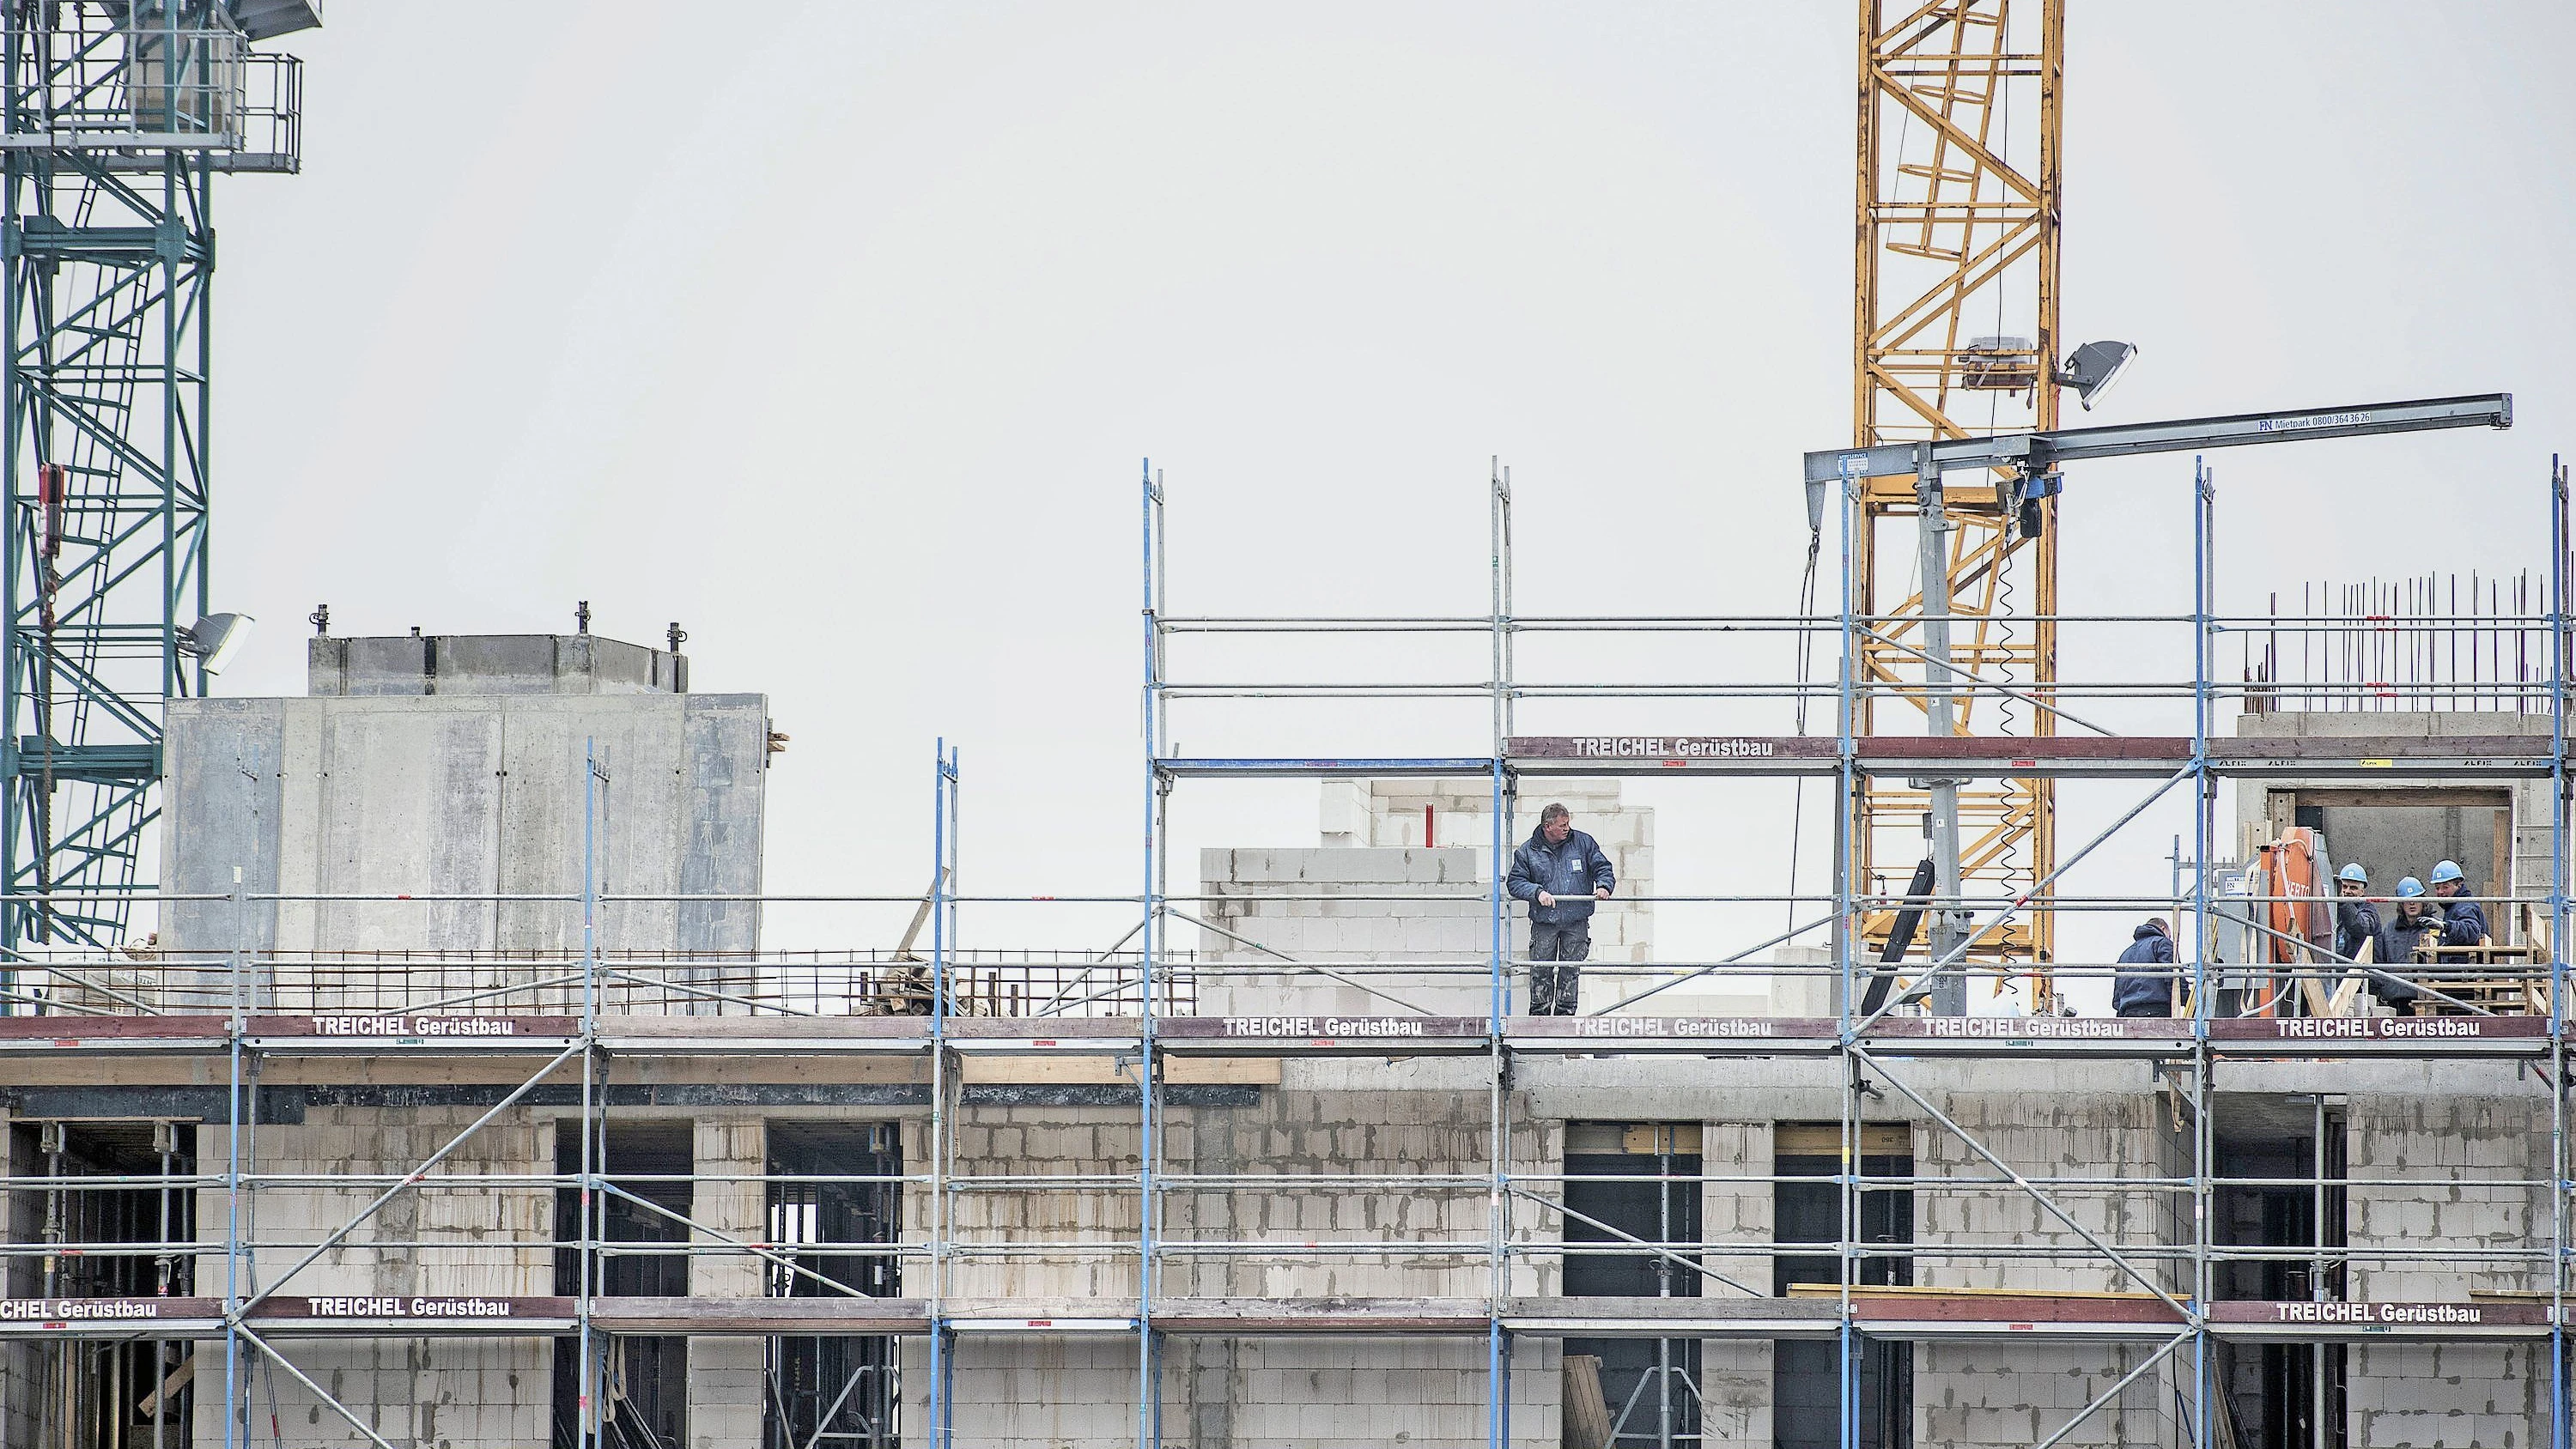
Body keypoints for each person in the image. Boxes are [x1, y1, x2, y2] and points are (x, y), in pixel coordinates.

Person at [1505, 803, 1615, 1016]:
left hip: (1576, 920)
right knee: (1541, 970)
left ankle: (1565, 1020)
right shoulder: (1528, 851)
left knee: (1570, 970)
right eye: (1562, 825)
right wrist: (1537, 892)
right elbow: (1515, 881)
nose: (1567, 828)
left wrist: (1604, 885)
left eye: (1568, 824)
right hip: (1544, 922)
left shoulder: (1583, 843)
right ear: (1548, 826)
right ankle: (1539, 1019)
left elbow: (1602, 867)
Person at [2372, 876, 2440, 1009]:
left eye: (2416, 899)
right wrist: (2384, 987)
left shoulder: (2434, 927)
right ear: (2401, 904)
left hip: (2424, 999)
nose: (2412, 904)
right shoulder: (2390, 929)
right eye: (2408, 900)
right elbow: (2380, 960)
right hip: (2394, 999)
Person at [2111, 918, 2176, 1018]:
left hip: (2128, 1013)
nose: (2169, 938)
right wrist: (2188, 999)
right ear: (2163, 929)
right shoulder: (2162, 943)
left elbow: (2117, 997)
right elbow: (2173, 978)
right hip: (2156, 1010)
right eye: (2170, 936)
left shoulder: (2125, 954)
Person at [2428, 858, 2489, 947]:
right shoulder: (2453, 906)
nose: (2440, 892)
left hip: (2467, 960)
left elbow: (2471, 932)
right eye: (2437, 888)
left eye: (2445, 887)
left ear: (2458, 885)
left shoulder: (2465, 906)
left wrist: (2446, 926)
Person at [2332, 862, 2380, 964]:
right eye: (2344, 887)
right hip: (2342, 975)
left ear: (2362, 892)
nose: (2347, 891)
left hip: (2364, 976)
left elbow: (2359, 927)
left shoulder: (2369, 911)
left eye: (2353, 888)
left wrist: (2343, 901)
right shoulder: (2337, 910)